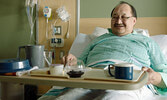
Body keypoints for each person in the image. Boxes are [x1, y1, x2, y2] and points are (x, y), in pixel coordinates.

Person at [61, 1, 167, 100]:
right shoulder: (97, 40)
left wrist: (155, 78)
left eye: (124, 17)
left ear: (134, 20)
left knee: (114, 97)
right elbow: (80, 63)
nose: (118, 21)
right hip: (92, 81)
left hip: (128, 82)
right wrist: (73, 63)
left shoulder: (147, 42)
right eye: (114, 17)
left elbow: (163, 71)